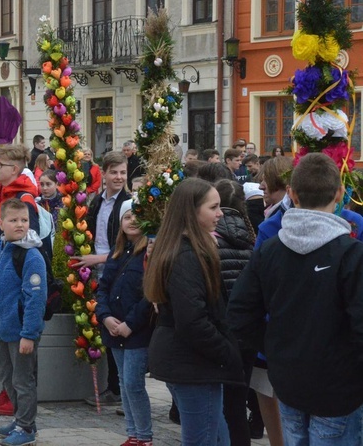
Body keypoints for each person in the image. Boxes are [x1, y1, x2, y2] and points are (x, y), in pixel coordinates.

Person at [228, 153, 363, 445]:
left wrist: (275, 347)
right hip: (335, 387)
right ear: (339, 193)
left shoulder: (270, 250)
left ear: (292, 193)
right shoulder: (351, 254)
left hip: (295, 381)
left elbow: (239, 313)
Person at [144, 178, 243, 445]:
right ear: (192, 211)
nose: (220, 213)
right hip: (193, 365)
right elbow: (192, 321)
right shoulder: (186, 255)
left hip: (191, 361)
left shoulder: (189, 249)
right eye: (213, 208)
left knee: (218, 437)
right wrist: (226, 352)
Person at [0, 198, 47, 446]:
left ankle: (27, 426)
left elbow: (35, 298)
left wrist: (29, 334)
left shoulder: (31, 256)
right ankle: (20, 418)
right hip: (1, 329)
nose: (19, 225)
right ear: (1, 224)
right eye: (13, 220)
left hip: (21, 331)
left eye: (24, 220)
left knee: (23, 380)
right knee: (6, 376)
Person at [96, 200, 153, 446]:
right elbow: (103, 288)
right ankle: (132, 433)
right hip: (114, 329)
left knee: (133, 383)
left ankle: (144, 436)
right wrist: (105, 316)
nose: (132, 221)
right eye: (127, 216)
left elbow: (150, 294)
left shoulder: (149, 253)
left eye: (137, 216)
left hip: (136, 331)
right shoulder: (117, 252)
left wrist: (130, 323)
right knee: (123, 381)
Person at [76, 151, 129, 408]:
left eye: (123, 172)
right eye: (114, 172)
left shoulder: (127, 204)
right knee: (101, 328)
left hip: (113, 269)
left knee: (113, 326)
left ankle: (118, 389)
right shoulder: (97, 201)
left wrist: (97, 260)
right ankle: (114, 387)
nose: (119, 177)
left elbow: (127, 247)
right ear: (104, 173)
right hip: (95, 270)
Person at [213, 179, 256, 446]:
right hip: (246, 335)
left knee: (219, 404)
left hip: (219, 332)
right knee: (237, 404)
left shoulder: (210, 240)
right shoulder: (250, 238)